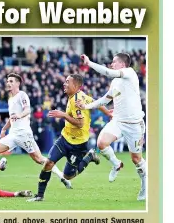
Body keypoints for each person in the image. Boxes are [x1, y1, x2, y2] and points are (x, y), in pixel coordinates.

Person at [0, 73, 71, 190]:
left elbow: (27, 110)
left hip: (24, 134)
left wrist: (20, 115)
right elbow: (12, 117)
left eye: (11, 81)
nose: (8, 83)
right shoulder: (10, 99)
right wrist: (3, 129)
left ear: (18, 83)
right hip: (13, 134)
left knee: (39, 159)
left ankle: (63, 177)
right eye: (8, 81)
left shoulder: (22, 95)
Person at [27, 73, 111, 203]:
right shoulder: (80, 96)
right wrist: (108, 113)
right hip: (64, 139)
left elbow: (80, 123)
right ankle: (39, 195)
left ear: (76, 86)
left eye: (67, 82)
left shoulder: (77, 101)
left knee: (68, 176)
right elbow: (96, 103)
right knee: (48, 163)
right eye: (65, 81)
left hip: (78, 145)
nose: (64, 84)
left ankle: (89, 157)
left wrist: (63, 115)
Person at [79, 53, 147, 201]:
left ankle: (145, 185)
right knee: (101, 143)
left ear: (122, 64)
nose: (111, 64)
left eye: (114, 62)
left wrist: (89, 63)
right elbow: (105, 99)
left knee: (136, 159)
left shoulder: (129, 73)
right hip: (118, 121)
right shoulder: (116, 82)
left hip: (134, 124)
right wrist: (86, 106)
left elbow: (108, 73)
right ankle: (116, 164)